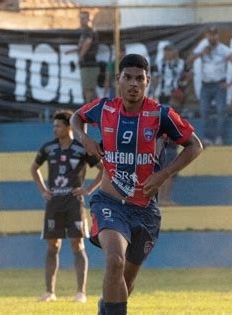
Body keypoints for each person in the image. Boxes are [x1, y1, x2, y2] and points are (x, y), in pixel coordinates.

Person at [71, 54, 203, 315]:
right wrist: (84, 139)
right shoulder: (105, 108)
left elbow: (195, 146)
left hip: (145, 211)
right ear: (118, 80)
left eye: (139, 79)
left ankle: (105, 308)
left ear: (148, 82)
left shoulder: (161, 114)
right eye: (127, 77)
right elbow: (76, 117)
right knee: (114, 260)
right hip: (109, 203)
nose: (133, 84)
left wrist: (164, 174)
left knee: (125, 284)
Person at [31, 110, 103, 303]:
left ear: (69, 127)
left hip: (74, 203)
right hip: (54, 203)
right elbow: (34, 168)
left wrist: (88, 189)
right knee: (53, 245)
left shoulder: (81, 149)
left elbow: (104, 170)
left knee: (77, 244)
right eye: (54, 125)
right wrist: (44, 190)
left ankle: (81, 293)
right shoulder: (49, 148)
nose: (55, 129)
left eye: (58, 125)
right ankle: (49, 292)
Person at [187, 26, 232, 146]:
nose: (212, 37)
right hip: (206, 85)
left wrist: (230, 83)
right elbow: (189, 61)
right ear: (207, 35)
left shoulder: (224, 50)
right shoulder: (202, 47)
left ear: (218, 35)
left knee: (221, 111)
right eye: (210, 34)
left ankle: (219, 137)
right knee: (204, 111)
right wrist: (201, 53)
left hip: (219, 85)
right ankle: (206, 138)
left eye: (214, 34)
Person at [66, 11, 100, 103]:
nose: (81, 20)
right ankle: (100, 111)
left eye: (83, 18)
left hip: (89, 65)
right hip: (88, 65)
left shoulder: (88, 31)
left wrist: (81, 56)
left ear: (89, 19)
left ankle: (88, 112)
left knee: (88, 90)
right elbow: (84, 45)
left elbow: (88, 42)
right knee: (91, 90)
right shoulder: (86, 31)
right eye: (80, 18)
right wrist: (74, 50)